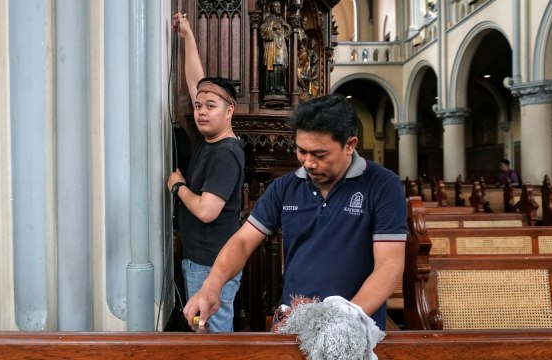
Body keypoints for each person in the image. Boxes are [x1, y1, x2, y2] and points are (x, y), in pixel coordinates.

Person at [183, 94, 407, 331]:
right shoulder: (286, 186)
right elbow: (242, 241)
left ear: (350, 145)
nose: (308, 163)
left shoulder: (382, 185)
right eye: (301, 151)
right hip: (295, 320)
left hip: (355, 322)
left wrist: (345, 318)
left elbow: (389, 264)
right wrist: (212, 285)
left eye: (320, 155)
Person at [169, 12, 246, 332]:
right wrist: (187, 36)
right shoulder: (211, 140)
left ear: (229, 111)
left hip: (210, 265)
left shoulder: (226, 153)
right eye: (198, 105)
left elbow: (207, 210)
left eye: (210, 106)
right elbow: (196, 82)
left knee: (211, 335)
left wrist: (178, 187)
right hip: (203, 260)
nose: (201, 110)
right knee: (204, 331)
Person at [260, 0, 291, 94]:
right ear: (272, 8)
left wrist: (286, 26)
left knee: (281, 67)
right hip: (272, 48)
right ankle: (271, 88)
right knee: (272, 67)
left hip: (281, 48)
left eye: (279, 7)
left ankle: (281, 87)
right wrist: (272, 27)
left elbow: (288, 34)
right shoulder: (268, 19)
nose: (279, 8)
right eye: (276, 6)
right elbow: (262, 31)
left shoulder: (282, 19)